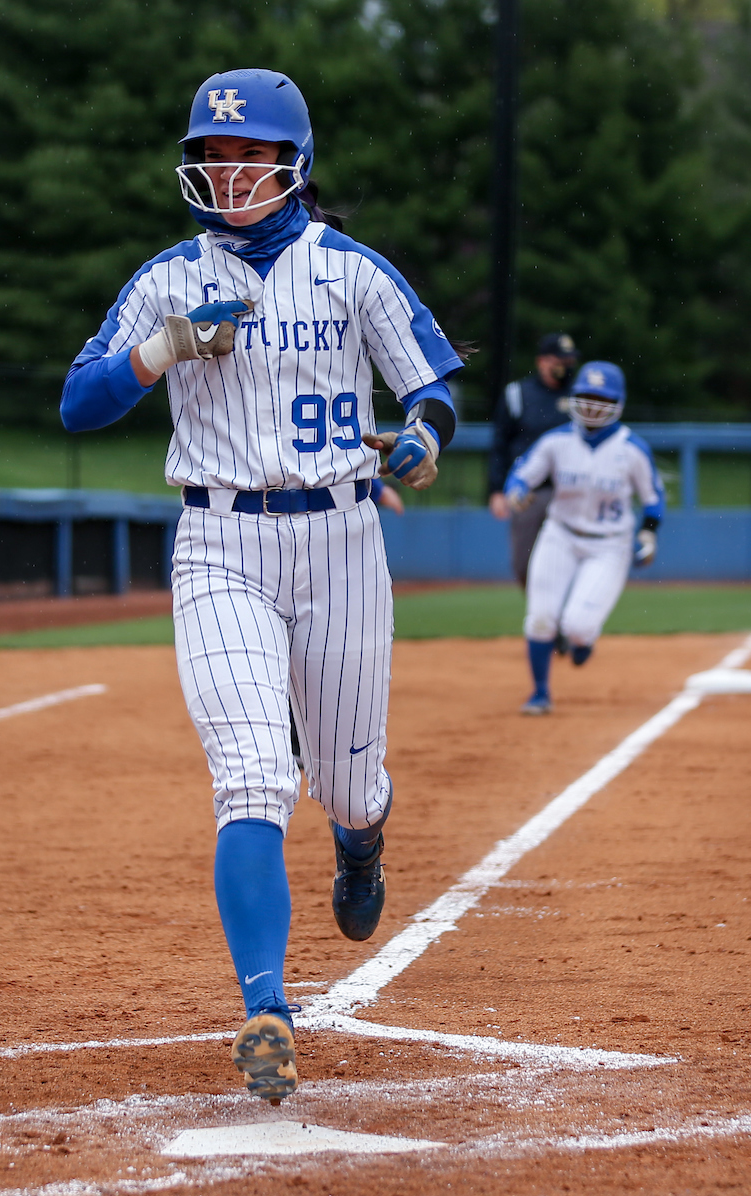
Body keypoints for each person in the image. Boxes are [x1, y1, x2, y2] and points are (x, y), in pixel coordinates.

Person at [60, 68, 462, 1103]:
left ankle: (360, 841)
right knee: (250, 776)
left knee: (344, 782)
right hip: (219, 542)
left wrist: (417, 439)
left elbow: (429, 385)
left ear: (294, 163)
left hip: (338, 543)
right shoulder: (166, 279)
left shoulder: (351, 272)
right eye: (216, 154)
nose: (231, 171)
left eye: (251, 154)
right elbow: (79, 403)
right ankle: (266, 1011)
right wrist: (164, 348)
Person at [503, 361, 664, 715]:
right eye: (586, 397)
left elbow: (654, 500)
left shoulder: (632, 449)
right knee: (541, 617)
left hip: (609, 544)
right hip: (559, 534)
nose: (592, 406)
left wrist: (649, 535)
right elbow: (521, 475)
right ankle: (540, 692)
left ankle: (582, 640)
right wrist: (515, 491)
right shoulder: (557, 441)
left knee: (577, 626)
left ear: (617, 402)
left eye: (601, 399)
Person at [488, 332, 580, 588]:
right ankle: (544, 614)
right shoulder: (518, 394)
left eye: (569, 360)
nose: (564, 365)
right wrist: (496, 490)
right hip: (528, 492)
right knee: (523, 563)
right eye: (558, 359)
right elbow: (499, 445)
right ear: (542, 361)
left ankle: (559, 620)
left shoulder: (580, 396)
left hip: (569, 491)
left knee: (568, 559)